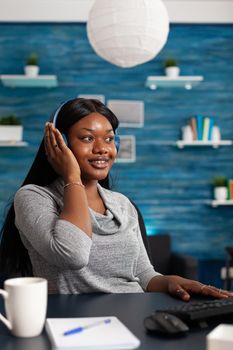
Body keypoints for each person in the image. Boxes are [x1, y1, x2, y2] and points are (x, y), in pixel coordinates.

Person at [0, 98, 232, 299]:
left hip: (136, 316)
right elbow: (73, 255)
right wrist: (71, 175)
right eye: (88, 139)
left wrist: (170, 281)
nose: (102, 148)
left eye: (109, 139)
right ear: (60, 143)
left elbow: (143, 275)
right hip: (71, 324)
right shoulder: (33, 197)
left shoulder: (123, 204)